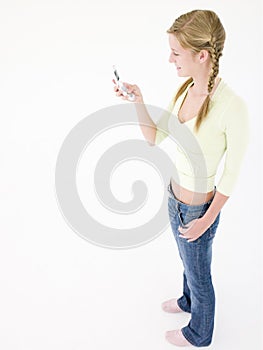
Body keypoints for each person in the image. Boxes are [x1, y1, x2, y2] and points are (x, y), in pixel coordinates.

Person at [113, 9, 249, 348]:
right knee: (188, 264)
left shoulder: (232, 107)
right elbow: (154, 138)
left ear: (201, 55)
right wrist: (138, 101)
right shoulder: (184, 90)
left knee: (201, 277)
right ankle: (188, 303)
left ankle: (200, 333)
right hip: (175, 201)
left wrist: (207, 219)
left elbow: (232, 174)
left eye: (176, 53)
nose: (169, 59)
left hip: (198, 210)